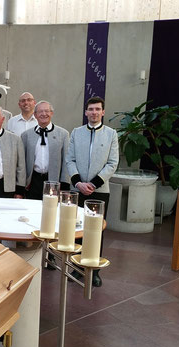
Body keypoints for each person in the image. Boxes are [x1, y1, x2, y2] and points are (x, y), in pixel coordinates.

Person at [65, 96, 119, 287]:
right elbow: (69, 160)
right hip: (78, 188)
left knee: (96, 231)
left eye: (98, 109)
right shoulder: (77, 133)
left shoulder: (111, 134)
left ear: (103, 112)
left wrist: (93, 184)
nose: (94, 112)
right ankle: (77, 267)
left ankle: (94, 270)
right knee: (78, 228)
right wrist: (78, 183)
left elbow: (113, 163)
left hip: (100, 189)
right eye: (91, 109)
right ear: (86, 112)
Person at [21, 101, 70, 199]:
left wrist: (64, 185)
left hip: (54, 182)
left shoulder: (63, 134)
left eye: (47, 111)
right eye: (40, 111)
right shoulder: (26, 135)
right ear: (35, 115)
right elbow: (22, 162)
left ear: (51, 113)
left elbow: (66, 161)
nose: (44, 114)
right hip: (33, 181)